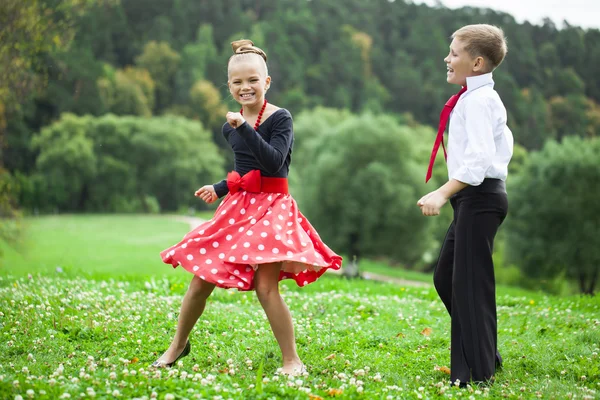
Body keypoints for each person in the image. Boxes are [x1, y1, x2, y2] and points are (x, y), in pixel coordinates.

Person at [151, 39, 342, 376]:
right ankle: (177, 345)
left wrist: (244, 129)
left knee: (265, 287)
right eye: (237, 82)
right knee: (199, 282)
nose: (245, 87)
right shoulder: (230, 126)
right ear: (229, 86)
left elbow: (272, 163)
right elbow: (244, 171)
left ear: (266, 82)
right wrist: (220, 187)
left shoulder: (280, 118)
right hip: (238, 209)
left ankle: (292, 360)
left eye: (253, 80)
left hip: (273, 209)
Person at [417, 24, 513, 386]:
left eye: (454, 53)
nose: (447, 57)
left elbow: (479, 159)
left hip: (480, 197)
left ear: (475, 63)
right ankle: (485, 353)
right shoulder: (475, 100)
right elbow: (503, 143)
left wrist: (442, 192)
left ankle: (475, 374)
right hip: (475, 198)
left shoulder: (480, 101)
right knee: (447, 277)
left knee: (469, 285)